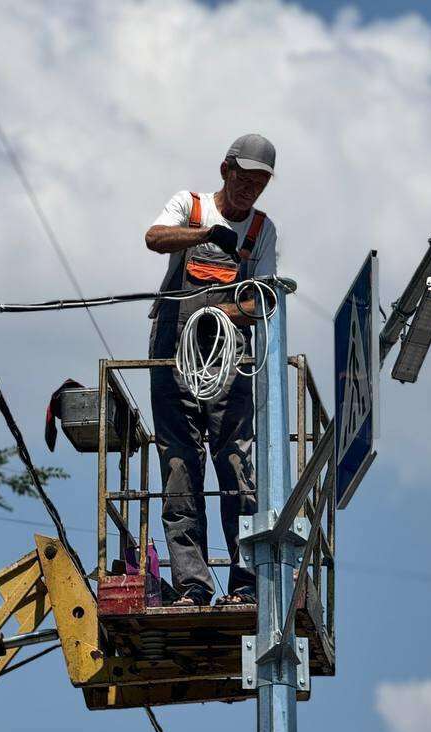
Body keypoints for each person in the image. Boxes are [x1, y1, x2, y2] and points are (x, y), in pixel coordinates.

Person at [143, 134, 279, 606]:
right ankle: (193, 585)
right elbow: (154, 238)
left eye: (259, 183)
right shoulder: (192, 206)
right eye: (244, 179)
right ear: (225, 170)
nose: (249, 191)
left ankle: (244, 583)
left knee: (237, 468)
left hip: (228, 362)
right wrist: (205, 235)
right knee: (180, 469)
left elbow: (263, 299)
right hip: (173, 357)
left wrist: (221, 315)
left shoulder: (262, 230)